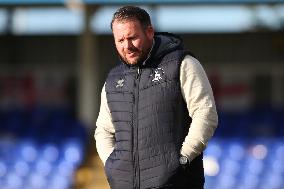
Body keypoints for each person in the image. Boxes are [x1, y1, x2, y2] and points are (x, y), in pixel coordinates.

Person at [95, 5, 218, 189]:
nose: (126, 46)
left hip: (177, 183)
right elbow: (103, 130)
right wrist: (113, 166)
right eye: (120, 40)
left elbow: (205, 113)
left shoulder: (182, 64)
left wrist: (182, 159)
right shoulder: (113, 80)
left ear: (149, 32)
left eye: (132, 38)